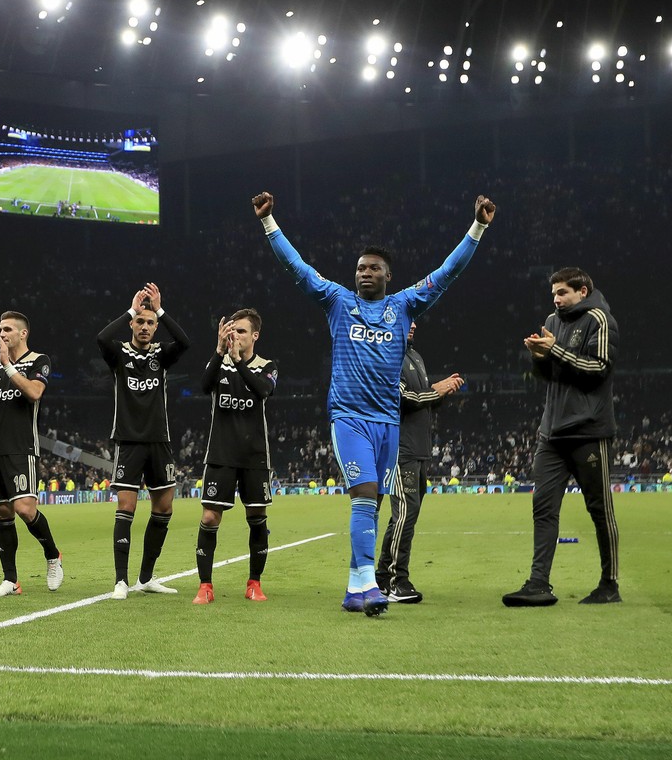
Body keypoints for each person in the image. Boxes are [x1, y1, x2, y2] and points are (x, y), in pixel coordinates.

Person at [254, 190, 493, 616]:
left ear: (387, 276)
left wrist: (478, 227)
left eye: (374, 268)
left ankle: (354, 588)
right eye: (361, 268)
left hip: (389, 422)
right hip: (350, 418)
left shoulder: (403, 306)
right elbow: (297, 268)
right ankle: (369, 587)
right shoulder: (337, 301)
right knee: (364, 495)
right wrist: (269, 222)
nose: (365, 273)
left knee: (373, 504)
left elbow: (447, 273)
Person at [502, 268, 621, 607]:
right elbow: (550, 374)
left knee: (600, 510)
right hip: (551, 433)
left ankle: (609, 584)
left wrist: (555, 351)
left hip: (589, 431)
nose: (556, 299)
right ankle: (538, 583)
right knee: (543, 508)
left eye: (563, 292)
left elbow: (600, 368)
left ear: (582, 291)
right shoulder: (552, 321)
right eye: (554, 293)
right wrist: (539, 357)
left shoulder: (600, 319)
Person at [97, 283, 190, 599]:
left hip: (159, 441)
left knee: (164, 508)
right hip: (129, 440)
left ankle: (146, 578)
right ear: (132, 324)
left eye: (151, 322)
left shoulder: (161, 354)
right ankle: (120, 581)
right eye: (141, 321)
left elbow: (185, 342)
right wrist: (130, 308)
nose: (147, 327)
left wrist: (161, 310)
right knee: (126, 506)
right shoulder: (119, 353)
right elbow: (101, 338)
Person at [0, 311, 64, 597]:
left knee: (25, 509)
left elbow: (35, 393)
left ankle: (53, 555)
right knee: (2, 512)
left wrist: (10, 367)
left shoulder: (39, 360)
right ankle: (11, 580)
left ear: (23, 334)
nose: (2, 333)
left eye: (7, 329)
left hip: (22, 448)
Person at [193, 309, 277, 605]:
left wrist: (240, 361)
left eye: (241, 331)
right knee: (209, 516)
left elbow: (263, 390)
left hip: (255, 456)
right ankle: (205, 586)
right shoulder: (219, 365)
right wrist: (219, 352)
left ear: (255, 335)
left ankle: (254, 583)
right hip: (221, 454)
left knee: (256, 517)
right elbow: (203, 386)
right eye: (231, 331)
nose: (235, 336)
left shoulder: (267, 366)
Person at [375, 323, 463, 604]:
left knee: (404, 514)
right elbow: (400, 398)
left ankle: (384, 576)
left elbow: (421, 401)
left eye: (414, 319)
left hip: (419, 448)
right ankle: (394, 579)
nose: (412, 323)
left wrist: (442, 393)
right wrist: (435, 390)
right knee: (405, 512)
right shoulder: (386, 355)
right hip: (401, 449)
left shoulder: (416, 356)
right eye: (406, 318)